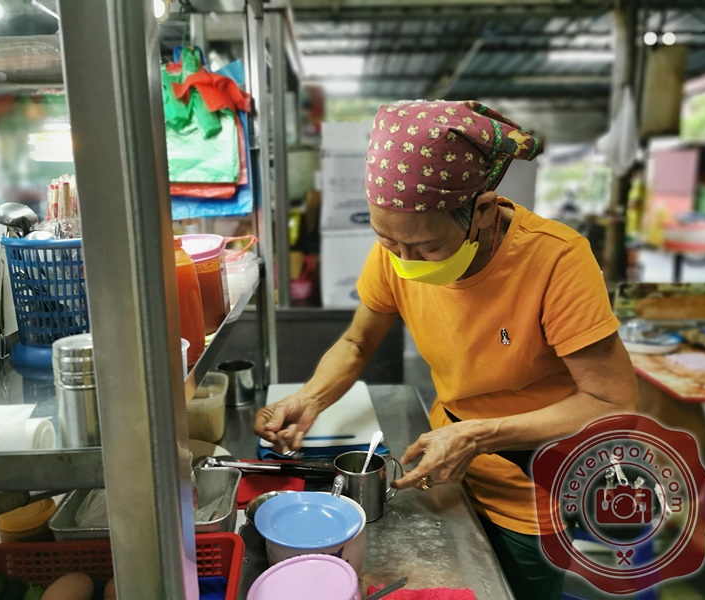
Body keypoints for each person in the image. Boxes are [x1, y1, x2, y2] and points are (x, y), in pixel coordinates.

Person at [254, 100, 637, 599]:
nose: (406, 262)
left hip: (532, 491)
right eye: (389, 243)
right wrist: (310, 398)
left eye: (428, 249)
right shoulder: (398, 245)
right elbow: (356, 341)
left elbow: (611, 402)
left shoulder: (555, 261)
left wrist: (479, 436)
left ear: (481, 210)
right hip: (447, 468)